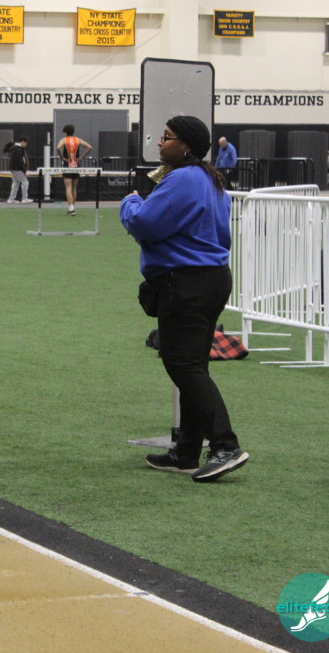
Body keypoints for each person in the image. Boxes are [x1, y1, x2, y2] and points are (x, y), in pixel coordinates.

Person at [119, 115, 249, 483]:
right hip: (211, 278)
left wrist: (129, 203)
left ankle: (225, 445)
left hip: (186, 282)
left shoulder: (183, 179)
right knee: (192, 365)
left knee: (183, 365)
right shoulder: (210, 179)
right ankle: (187, 451)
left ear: (186, 145)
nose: (160, 143)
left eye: (167, 137)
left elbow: (145, 223)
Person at [56, 124, 93, 216]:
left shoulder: (64, 140)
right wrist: (82, 157)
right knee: (74, 188)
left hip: (67, 165)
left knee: (68, 188)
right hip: (76, 165)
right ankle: (72, 208)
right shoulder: (78, 140)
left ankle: (71, 208)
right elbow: (89, 147)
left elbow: (58, 148)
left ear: (65, 132)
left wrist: (62, 157)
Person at [5, 136, 30, 204]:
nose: (26, 145)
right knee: (25, 182)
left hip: (12, 168)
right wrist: (24, 171)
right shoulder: (19, 149)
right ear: (22, 142)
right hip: (17, 168)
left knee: (15, 183)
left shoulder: (13, 148)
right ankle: (24, 198)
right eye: (26, 143)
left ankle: (11, 199)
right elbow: (20, 161)